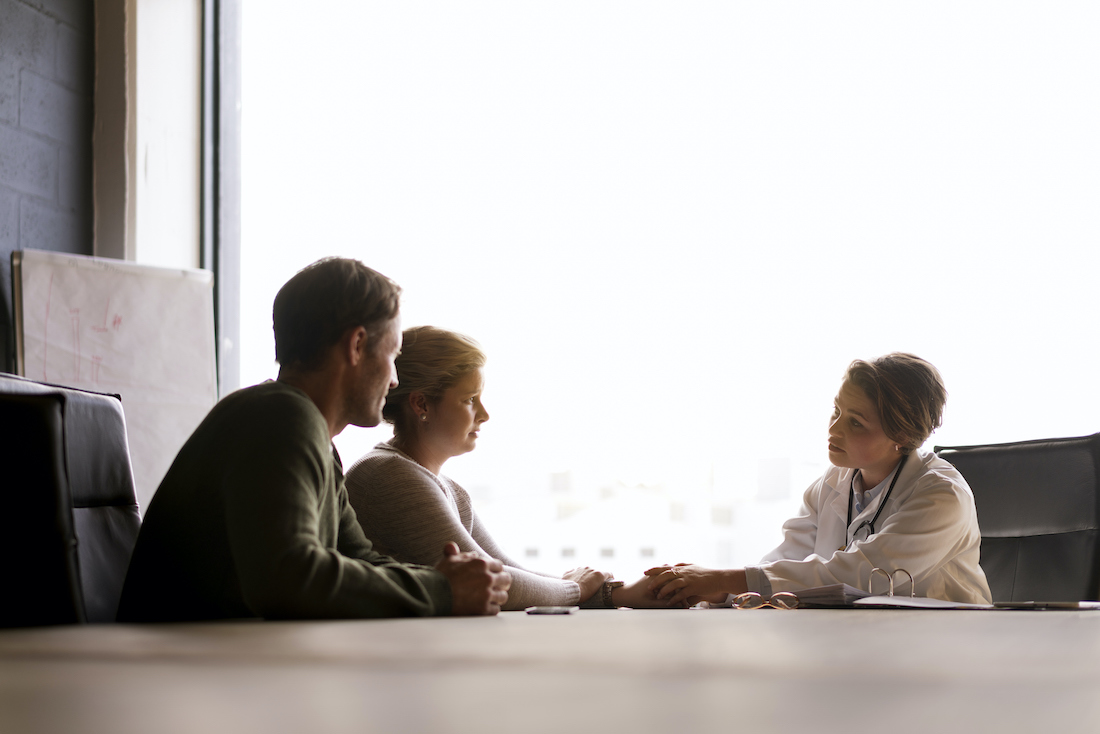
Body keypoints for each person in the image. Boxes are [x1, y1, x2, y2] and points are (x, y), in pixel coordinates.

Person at [116, 258, 511, 622]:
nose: (394, 380)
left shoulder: (310, 436)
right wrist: (440, 590)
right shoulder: (280, 420)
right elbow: (290, 577)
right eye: (392, 356)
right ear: (357, 345)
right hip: (176, 680)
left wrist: (450, 582)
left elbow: (359, 557)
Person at [345, 325, 665, 610]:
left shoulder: (447, 488)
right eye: (470, 399)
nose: (484, 414)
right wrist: (579, 588)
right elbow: (495, 581)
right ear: (421, 404)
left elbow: (510, 571)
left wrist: (612, 593)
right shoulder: (389, 476)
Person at [646, 353, 992, 607]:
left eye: (855, 422)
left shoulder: (941, 496)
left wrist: (724, 579)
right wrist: (712, 591)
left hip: (947, 645)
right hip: (863, 638)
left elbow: (863, 574)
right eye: (836, 411)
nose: (833, 429)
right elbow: (785, 562)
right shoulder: (832, 483)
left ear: (901, 435)